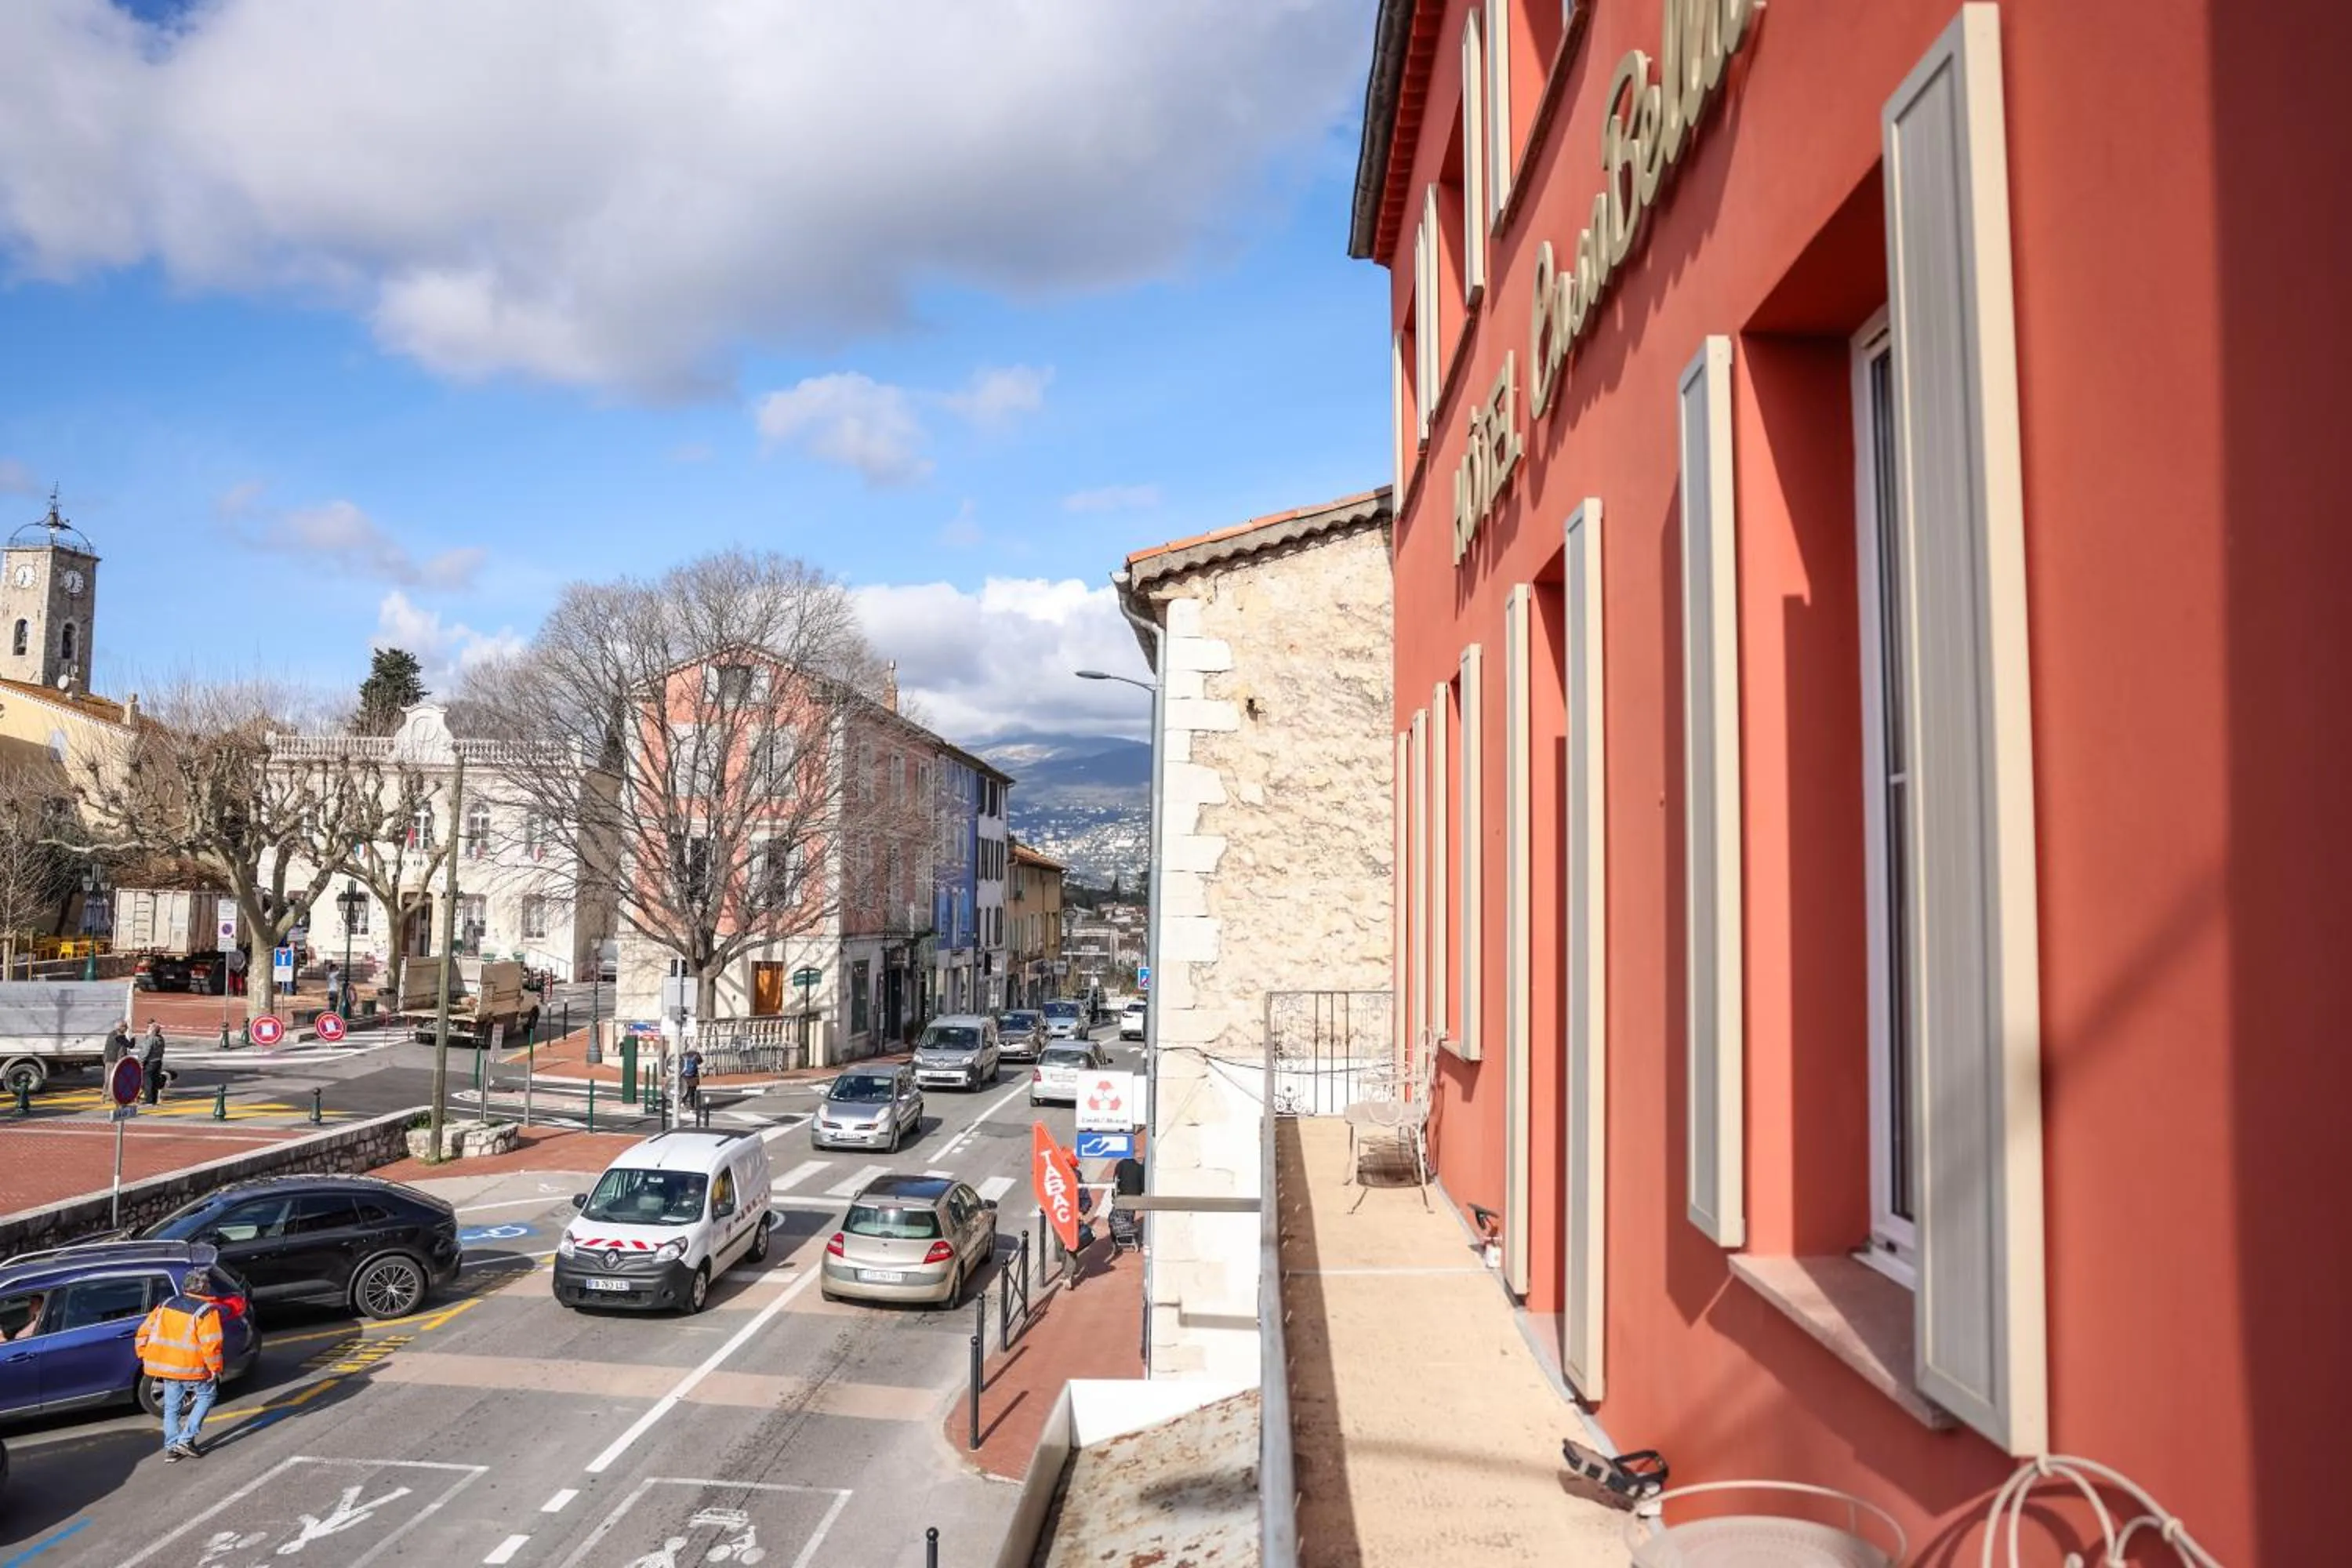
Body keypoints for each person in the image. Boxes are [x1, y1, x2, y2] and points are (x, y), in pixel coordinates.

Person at [134, 1269, 225, 1461]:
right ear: (205, 1288)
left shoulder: (165, 1305)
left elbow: (143, 1332)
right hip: (191, 1367)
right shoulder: (206, 1311)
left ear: (186, 1286)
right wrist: (215, 1369)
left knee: (171, 1407)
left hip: (164, 1365)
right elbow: (211, 1345)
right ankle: (186, 1440)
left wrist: (145, 1354)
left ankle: (172, 1447)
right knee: (207, 1395)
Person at [140, 1021, 168, 1105]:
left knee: (147, 1082)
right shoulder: (161, 1039)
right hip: (158, 1062)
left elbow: (145, 1051)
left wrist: (141, 1061)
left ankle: (149, 1100)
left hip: (150, 1062)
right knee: (155, 1081)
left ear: (152, 1031)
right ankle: (154, 1100)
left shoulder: (151, 1039)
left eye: (149, 1028)